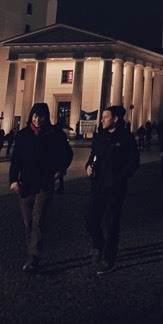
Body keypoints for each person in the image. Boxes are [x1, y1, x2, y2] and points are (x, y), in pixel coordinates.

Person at [9, 103, 73, 273]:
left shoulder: (54, 134)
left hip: (45, 183)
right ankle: (32, 253)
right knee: (28, 222)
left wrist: (60, 171)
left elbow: (68, 154)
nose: (37, 120)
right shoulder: (23, 135)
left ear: (47, 117)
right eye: (34, 116)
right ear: (31, 116)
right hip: (26, 184)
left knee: (38, 220)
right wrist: (13, 180)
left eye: (41, 116)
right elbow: (16, 160)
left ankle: (33, 258)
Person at [85, 105, 140, 275]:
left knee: (111, 224)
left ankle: (109, 259)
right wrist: (88, 166)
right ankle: (99, 244)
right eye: (102, 117)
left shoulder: (126, 138)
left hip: (114, 189)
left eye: (105, 117)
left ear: (115, 119)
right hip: (97, 185)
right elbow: (93, 155)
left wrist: (120, 178)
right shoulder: (100, 136)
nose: (101, 120)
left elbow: (134, 162)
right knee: (90, 221)